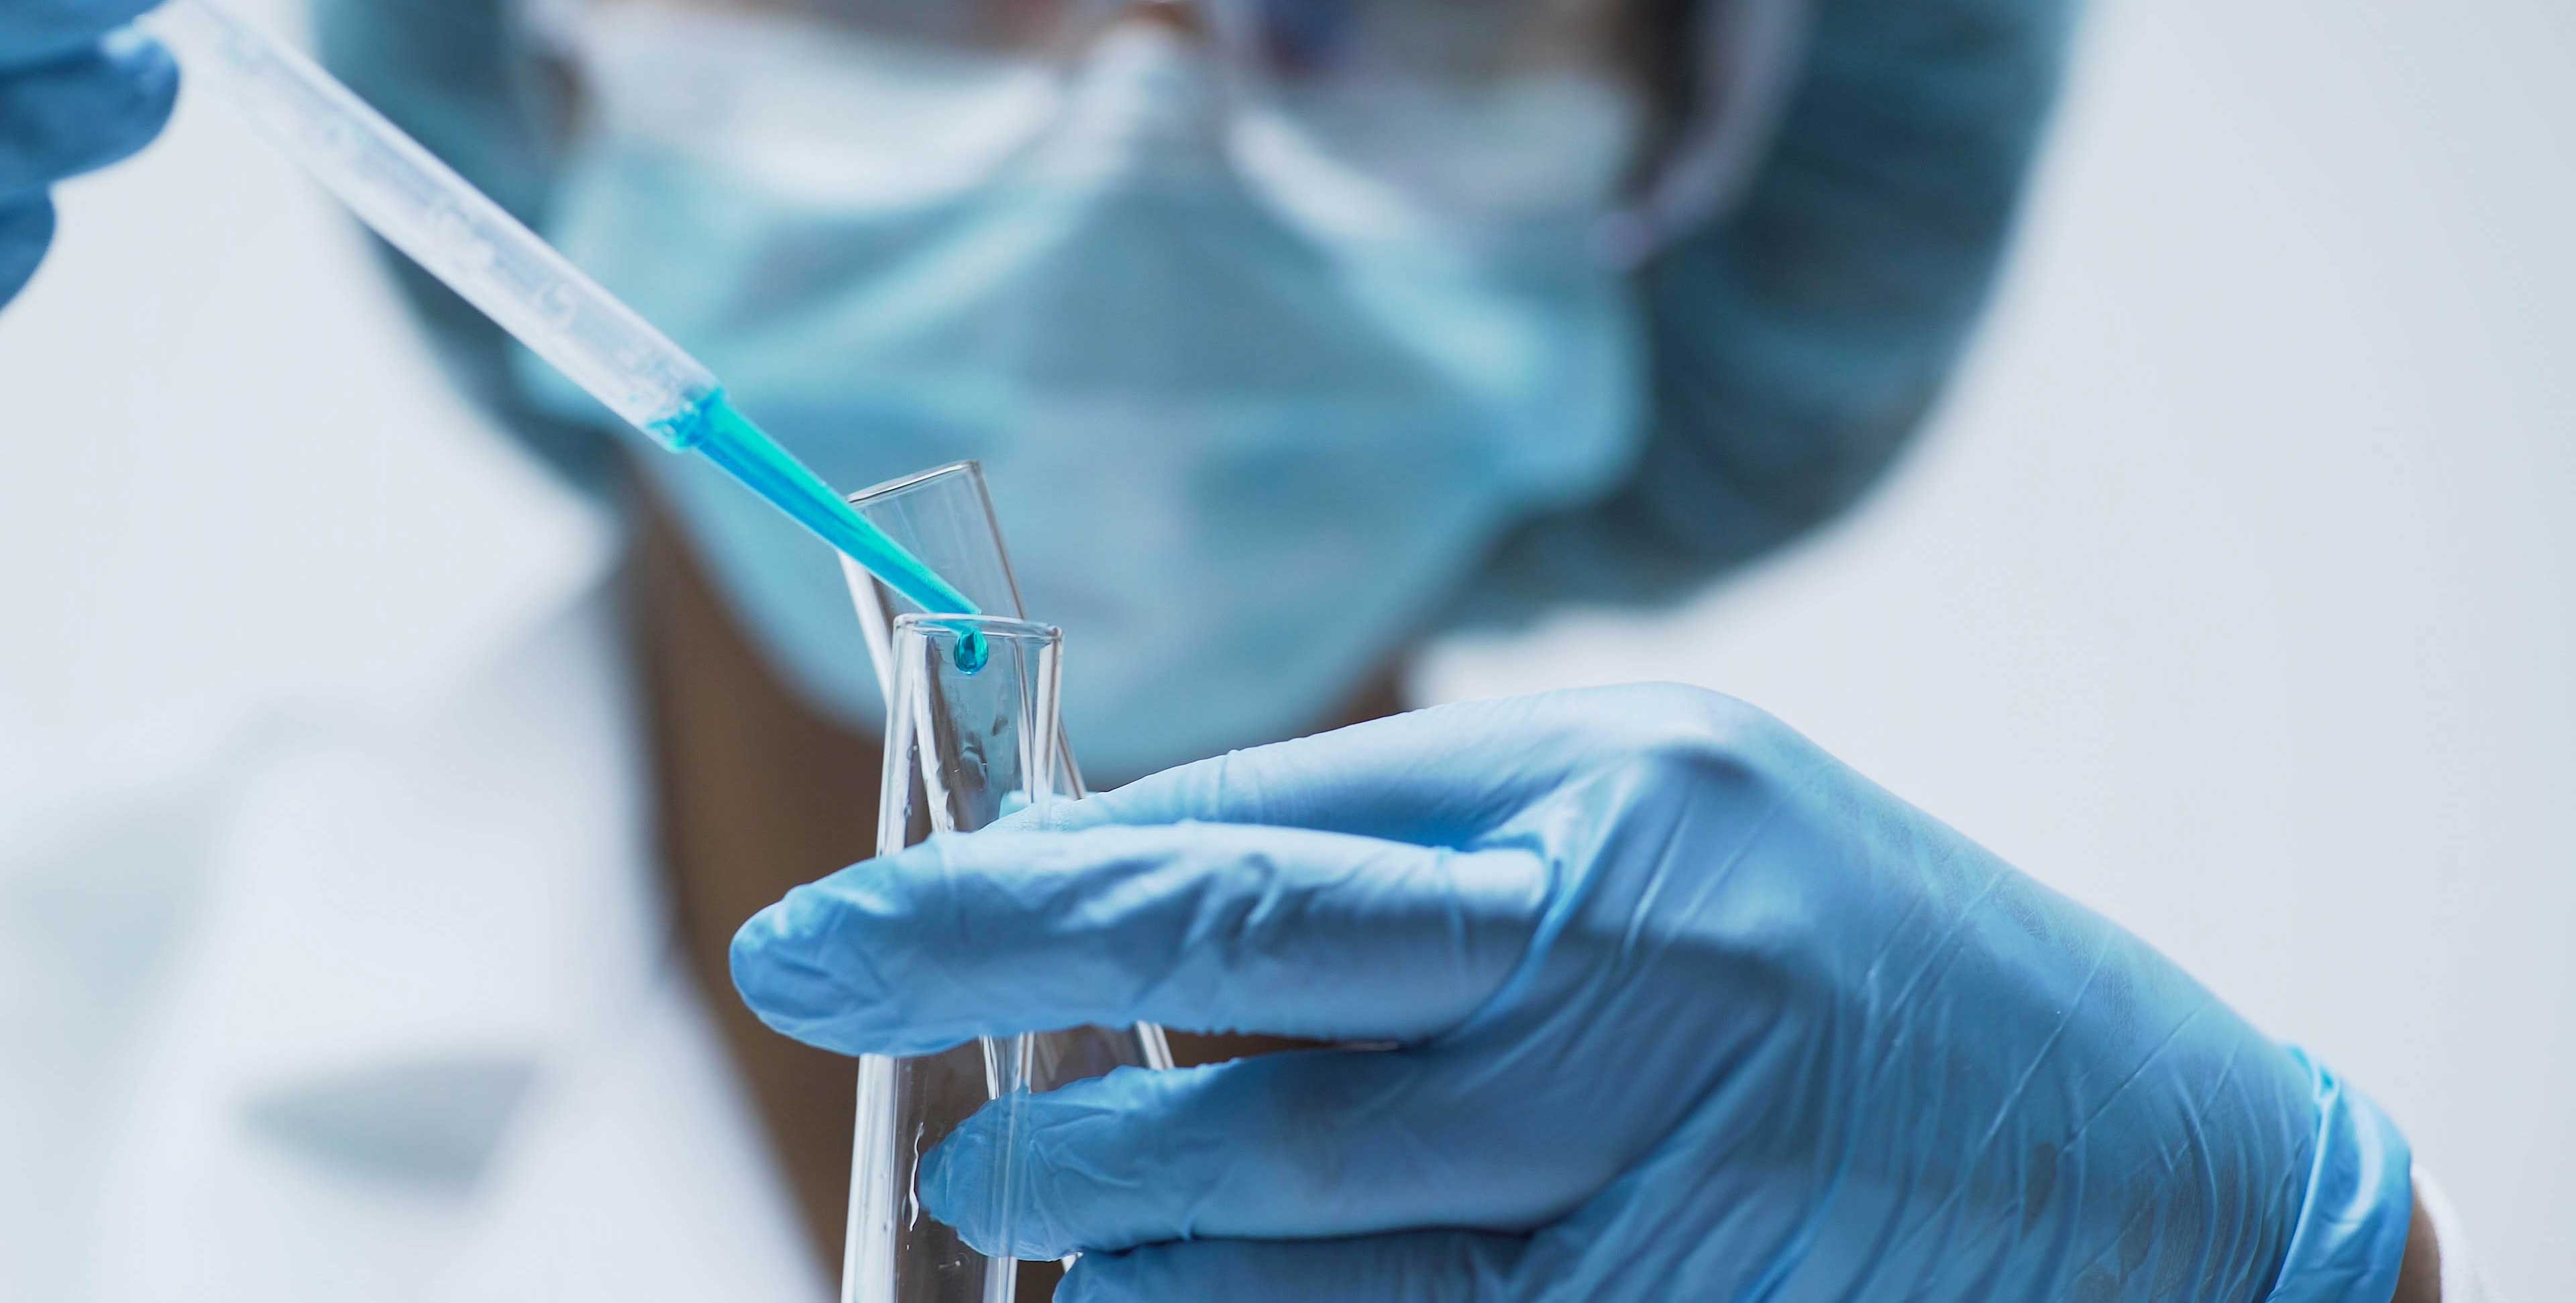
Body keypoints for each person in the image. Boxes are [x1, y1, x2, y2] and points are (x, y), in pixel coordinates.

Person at [0, 1, 2485, 1300]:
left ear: (1694, 118)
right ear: (532, 49)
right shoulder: (50, 1072)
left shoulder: (1947, 1211)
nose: (1135, 104)